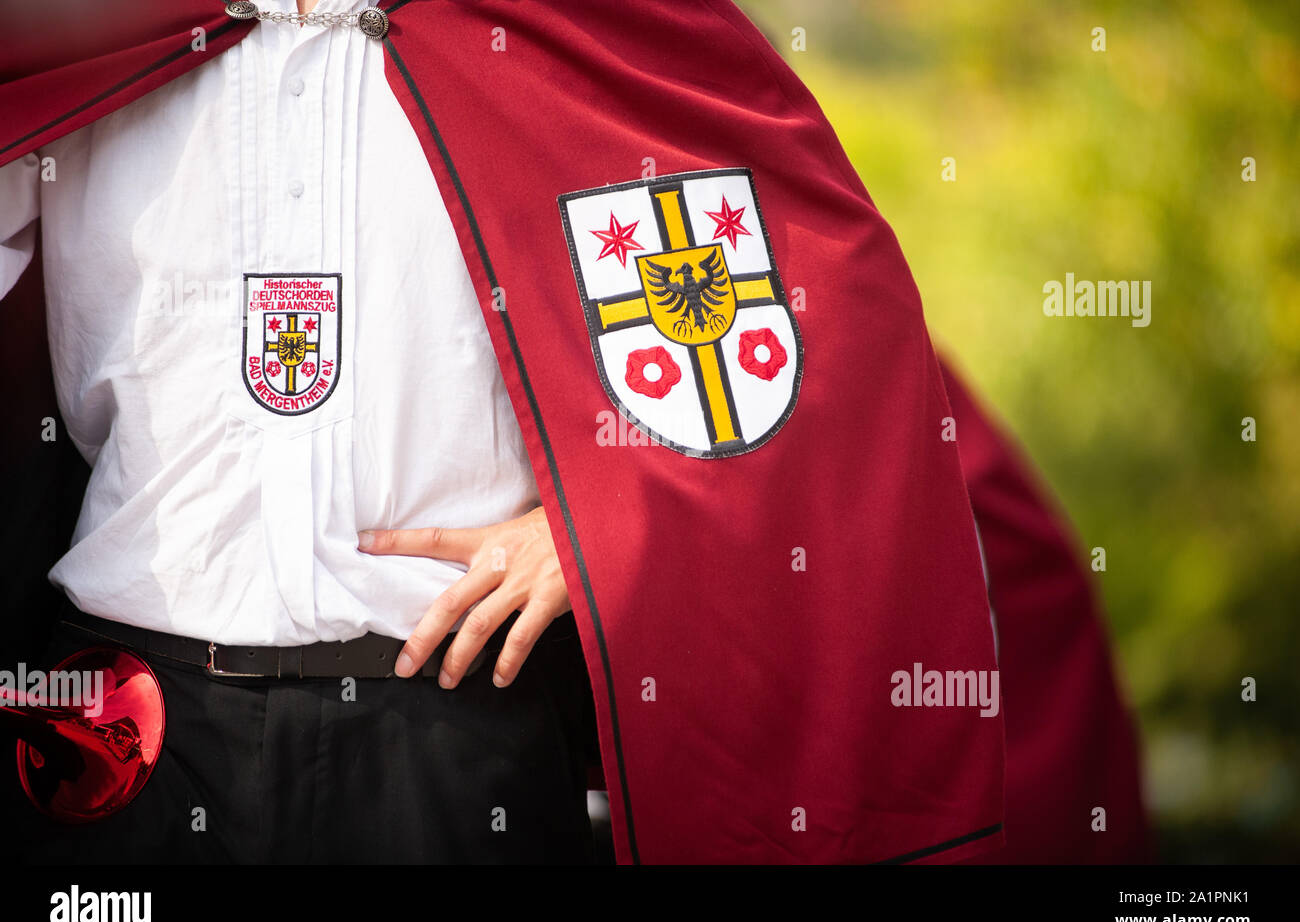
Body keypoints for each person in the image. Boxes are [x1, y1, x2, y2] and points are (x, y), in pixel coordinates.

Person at [1, 0, 1009, 864]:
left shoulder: (566, 34)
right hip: (123, 728)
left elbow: (818, 305)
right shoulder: (78, 36)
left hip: (450, 723)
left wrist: (601, 522)